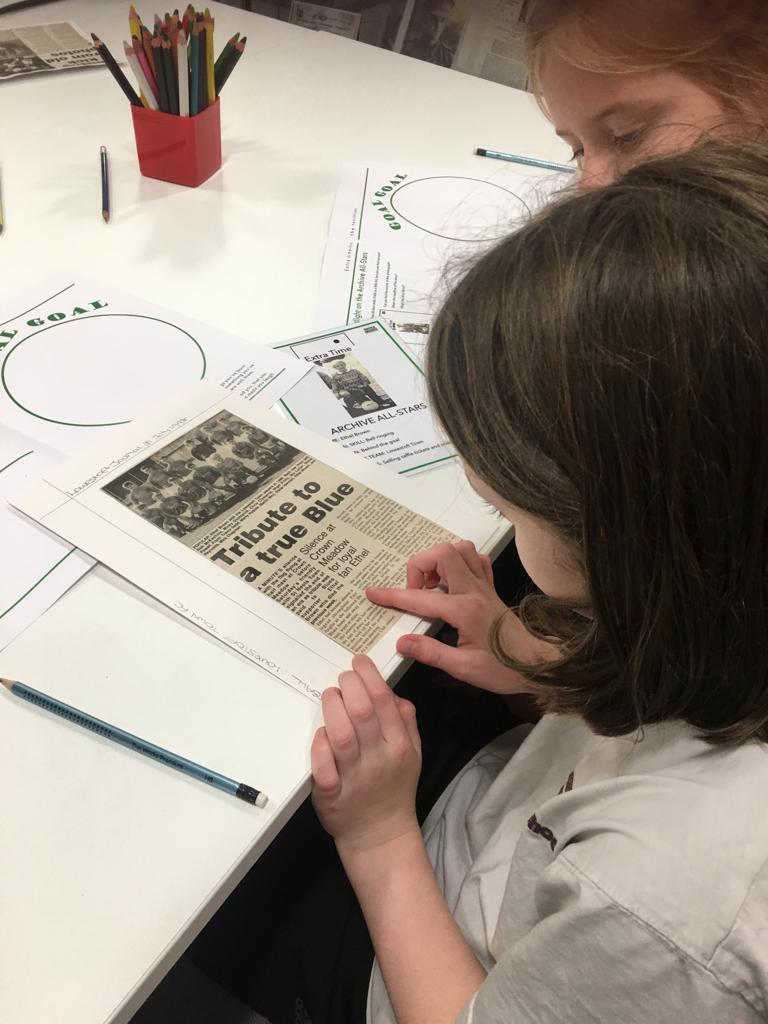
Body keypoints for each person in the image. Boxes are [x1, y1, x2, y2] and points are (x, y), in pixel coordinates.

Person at [311, 139, 768, 1023]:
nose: (509, 534)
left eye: (516, 511)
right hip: (512, 814)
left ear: (640, 540)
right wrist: (538, 662)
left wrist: (376, 838)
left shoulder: (666, 908)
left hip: (441, 938)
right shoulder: (732, 598)